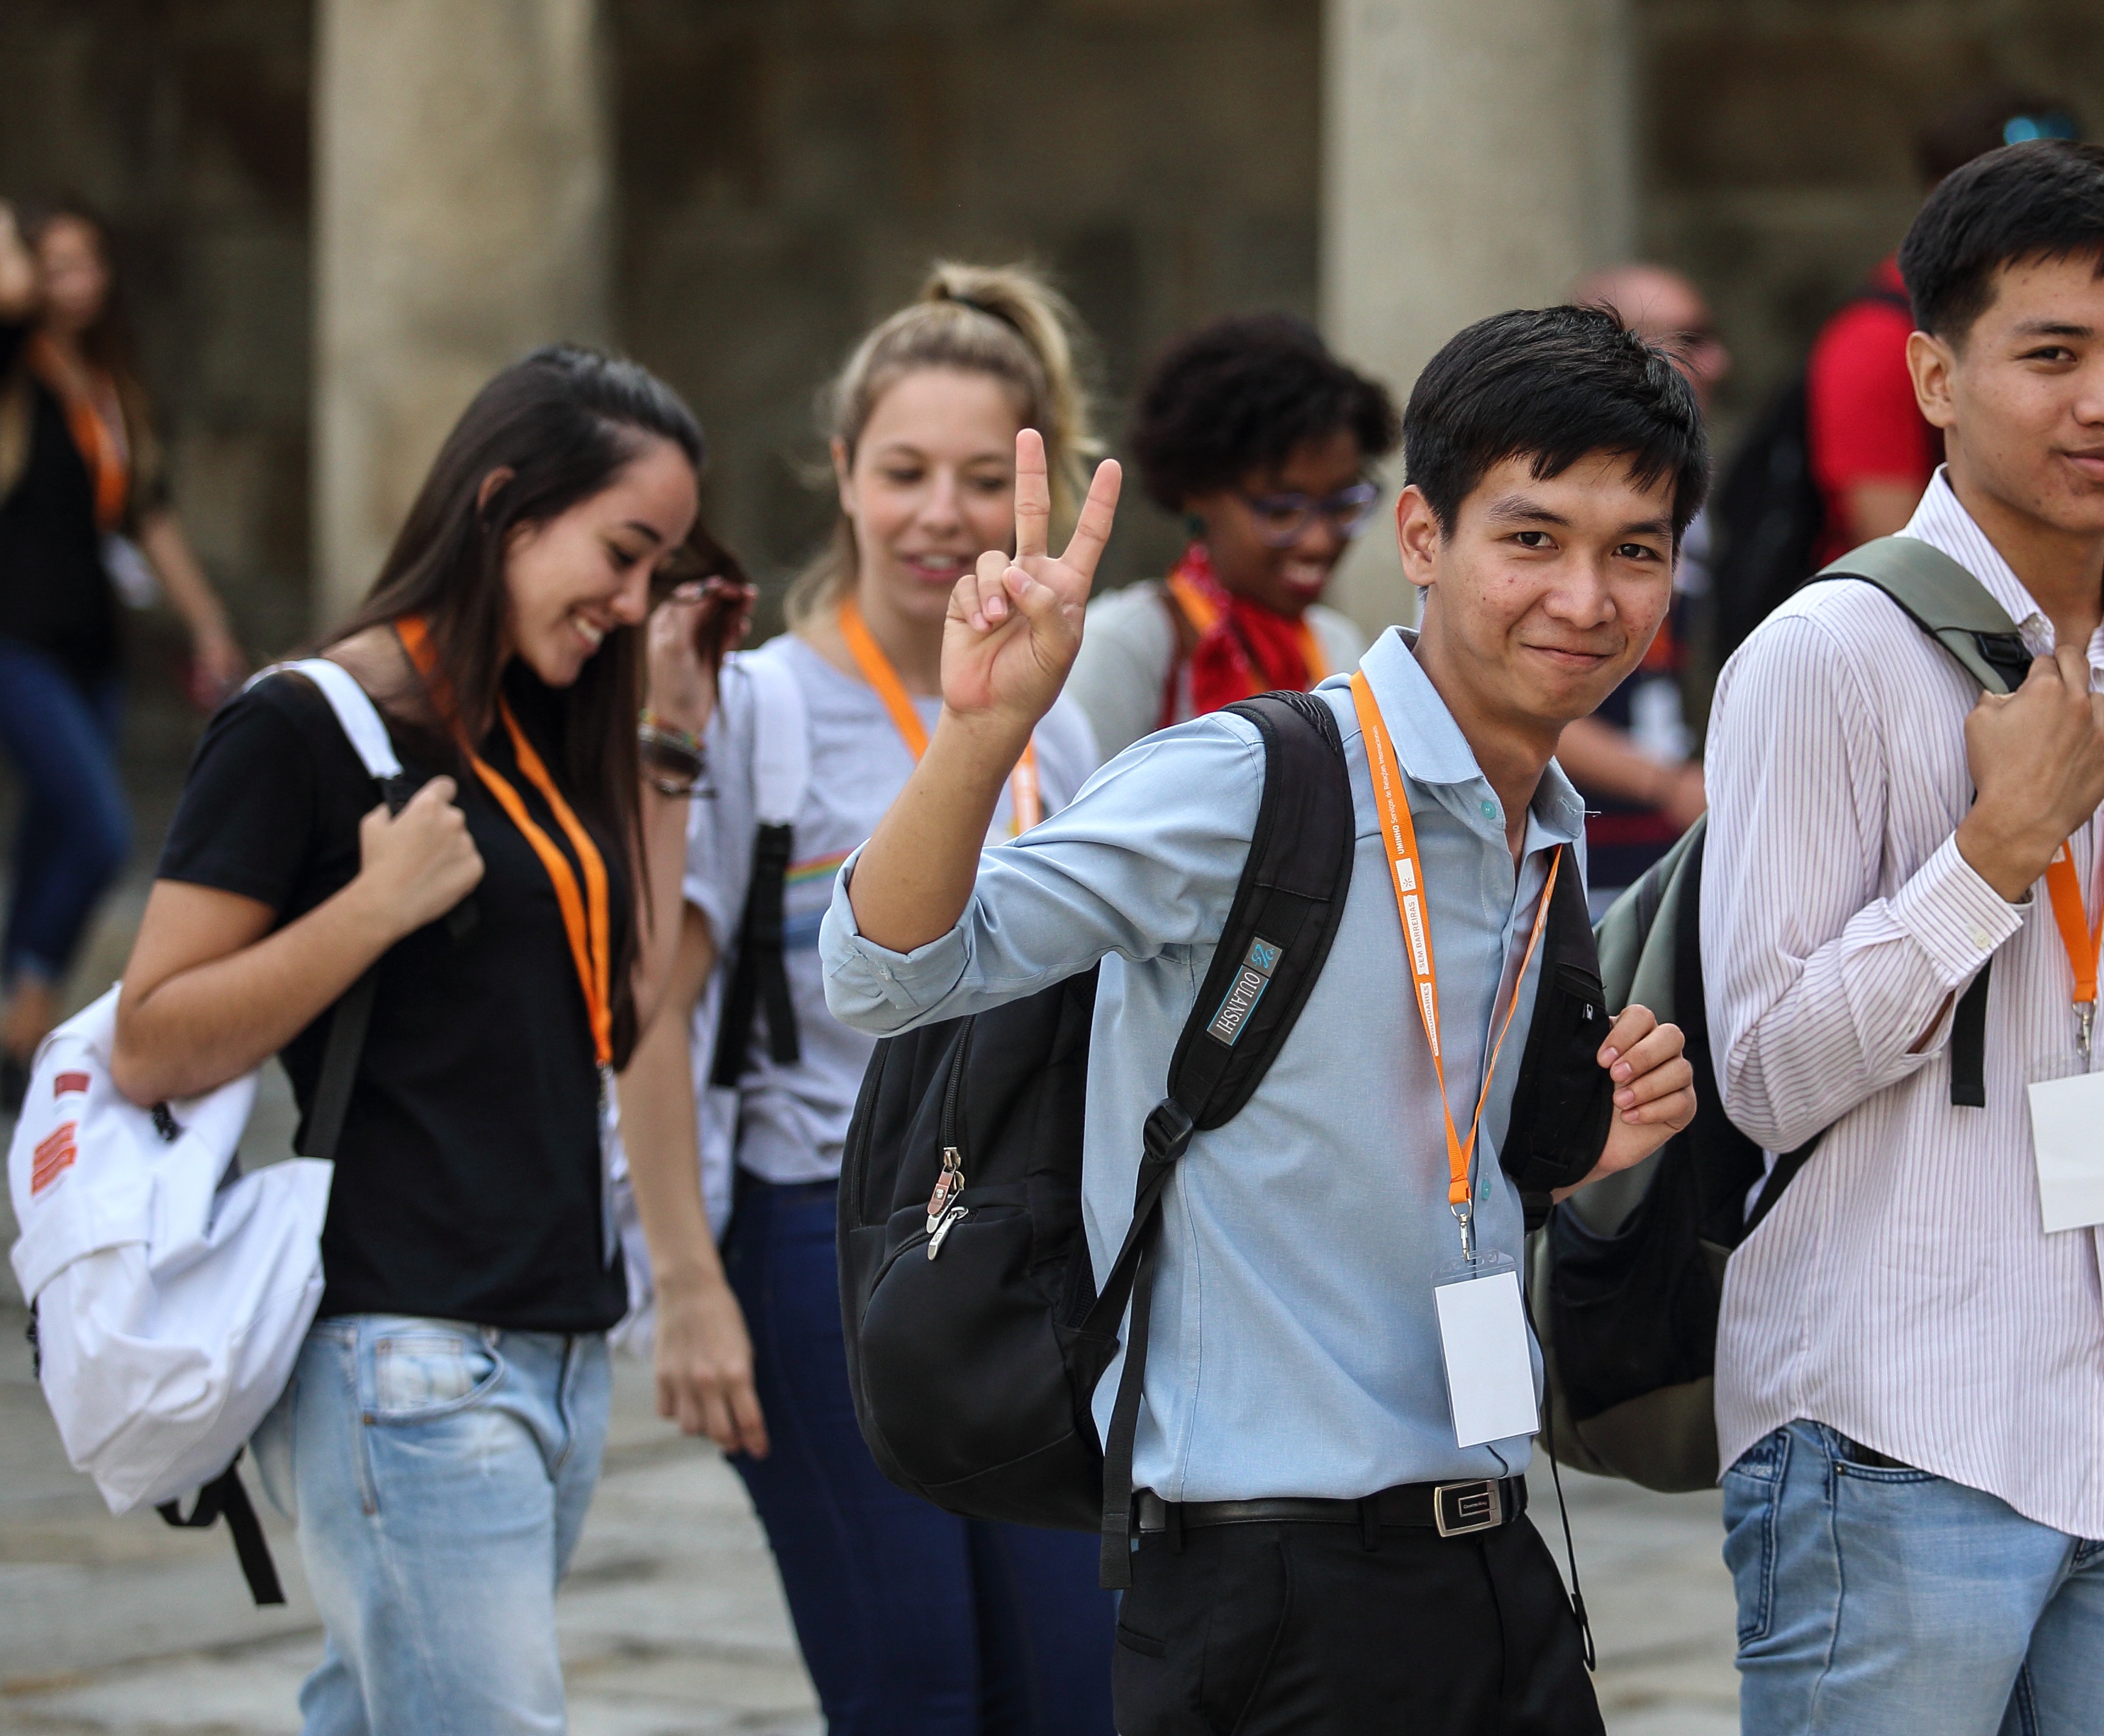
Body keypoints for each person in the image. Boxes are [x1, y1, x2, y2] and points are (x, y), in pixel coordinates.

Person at [823, 305, 1705, 1736]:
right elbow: (881, 978)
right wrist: (982, 737)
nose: (1586, 599)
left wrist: (1559, 1160)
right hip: (1265, 1586)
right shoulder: (1252, 785)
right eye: (1532, 540)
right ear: (1421, 537)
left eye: (1636, 551)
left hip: (1496, 1557)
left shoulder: (1536, 829)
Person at [1701, 140, 2104, 1734]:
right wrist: (1992, 853)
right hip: (1893, 1429)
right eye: (2050, 355)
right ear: (1932, 373)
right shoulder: (1822, 656)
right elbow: (1760, 1072)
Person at [109, 344, 746, 1734]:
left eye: (660, 574)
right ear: (507, 506)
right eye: (621, 554)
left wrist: (669, 744)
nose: (633, 603)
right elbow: (151, 1042)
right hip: (404, 1353)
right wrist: (369, 911)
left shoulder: (531, 728)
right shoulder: (301, 727)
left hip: (554, 1349)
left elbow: (622, 1012)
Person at [619, 264, 1113, 1735]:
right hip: (815, 1236)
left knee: (1077, 1688)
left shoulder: (1061, 716)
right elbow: (651, 1010)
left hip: (1024, 1234)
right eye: (902, 472)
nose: (939, 515)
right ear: (841, 475)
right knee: (913, 1690)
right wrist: (687, 1284)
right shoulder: (757, 709)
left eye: (979, 478)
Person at [0, 200, 247, 1094]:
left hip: (91, 651)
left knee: (48, 836)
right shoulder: (15, 367)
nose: (79, 281)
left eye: (91, 261)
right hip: (15, 643)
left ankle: (18, 1022)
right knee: (101, 832)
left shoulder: (105, 381)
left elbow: (148, 511)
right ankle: (25, 1015)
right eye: (57, 264)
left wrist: (209, 622)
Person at [1705, 94, 2077, 671]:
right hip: (1898, 654)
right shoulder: (1876, 340)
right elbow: (1897, 546)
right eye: (2013, 203)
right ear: (1941, 199)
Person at [1062, 312, 1393, 758]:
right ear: (1198, 490)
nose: (1319, 540)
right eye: (1282, 510)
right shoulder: (1125, 648)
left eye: (1343, 505)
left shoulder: (1339, 647)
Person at [1563, 264, 1724, 896]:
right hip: (1572, 851)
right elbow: (1480, 689)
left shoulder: (1696, 495)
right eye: (1689, 340)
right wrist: (1667, 783)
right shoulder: (1529, 495)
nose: (1717, 362)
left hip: (1663, 851)